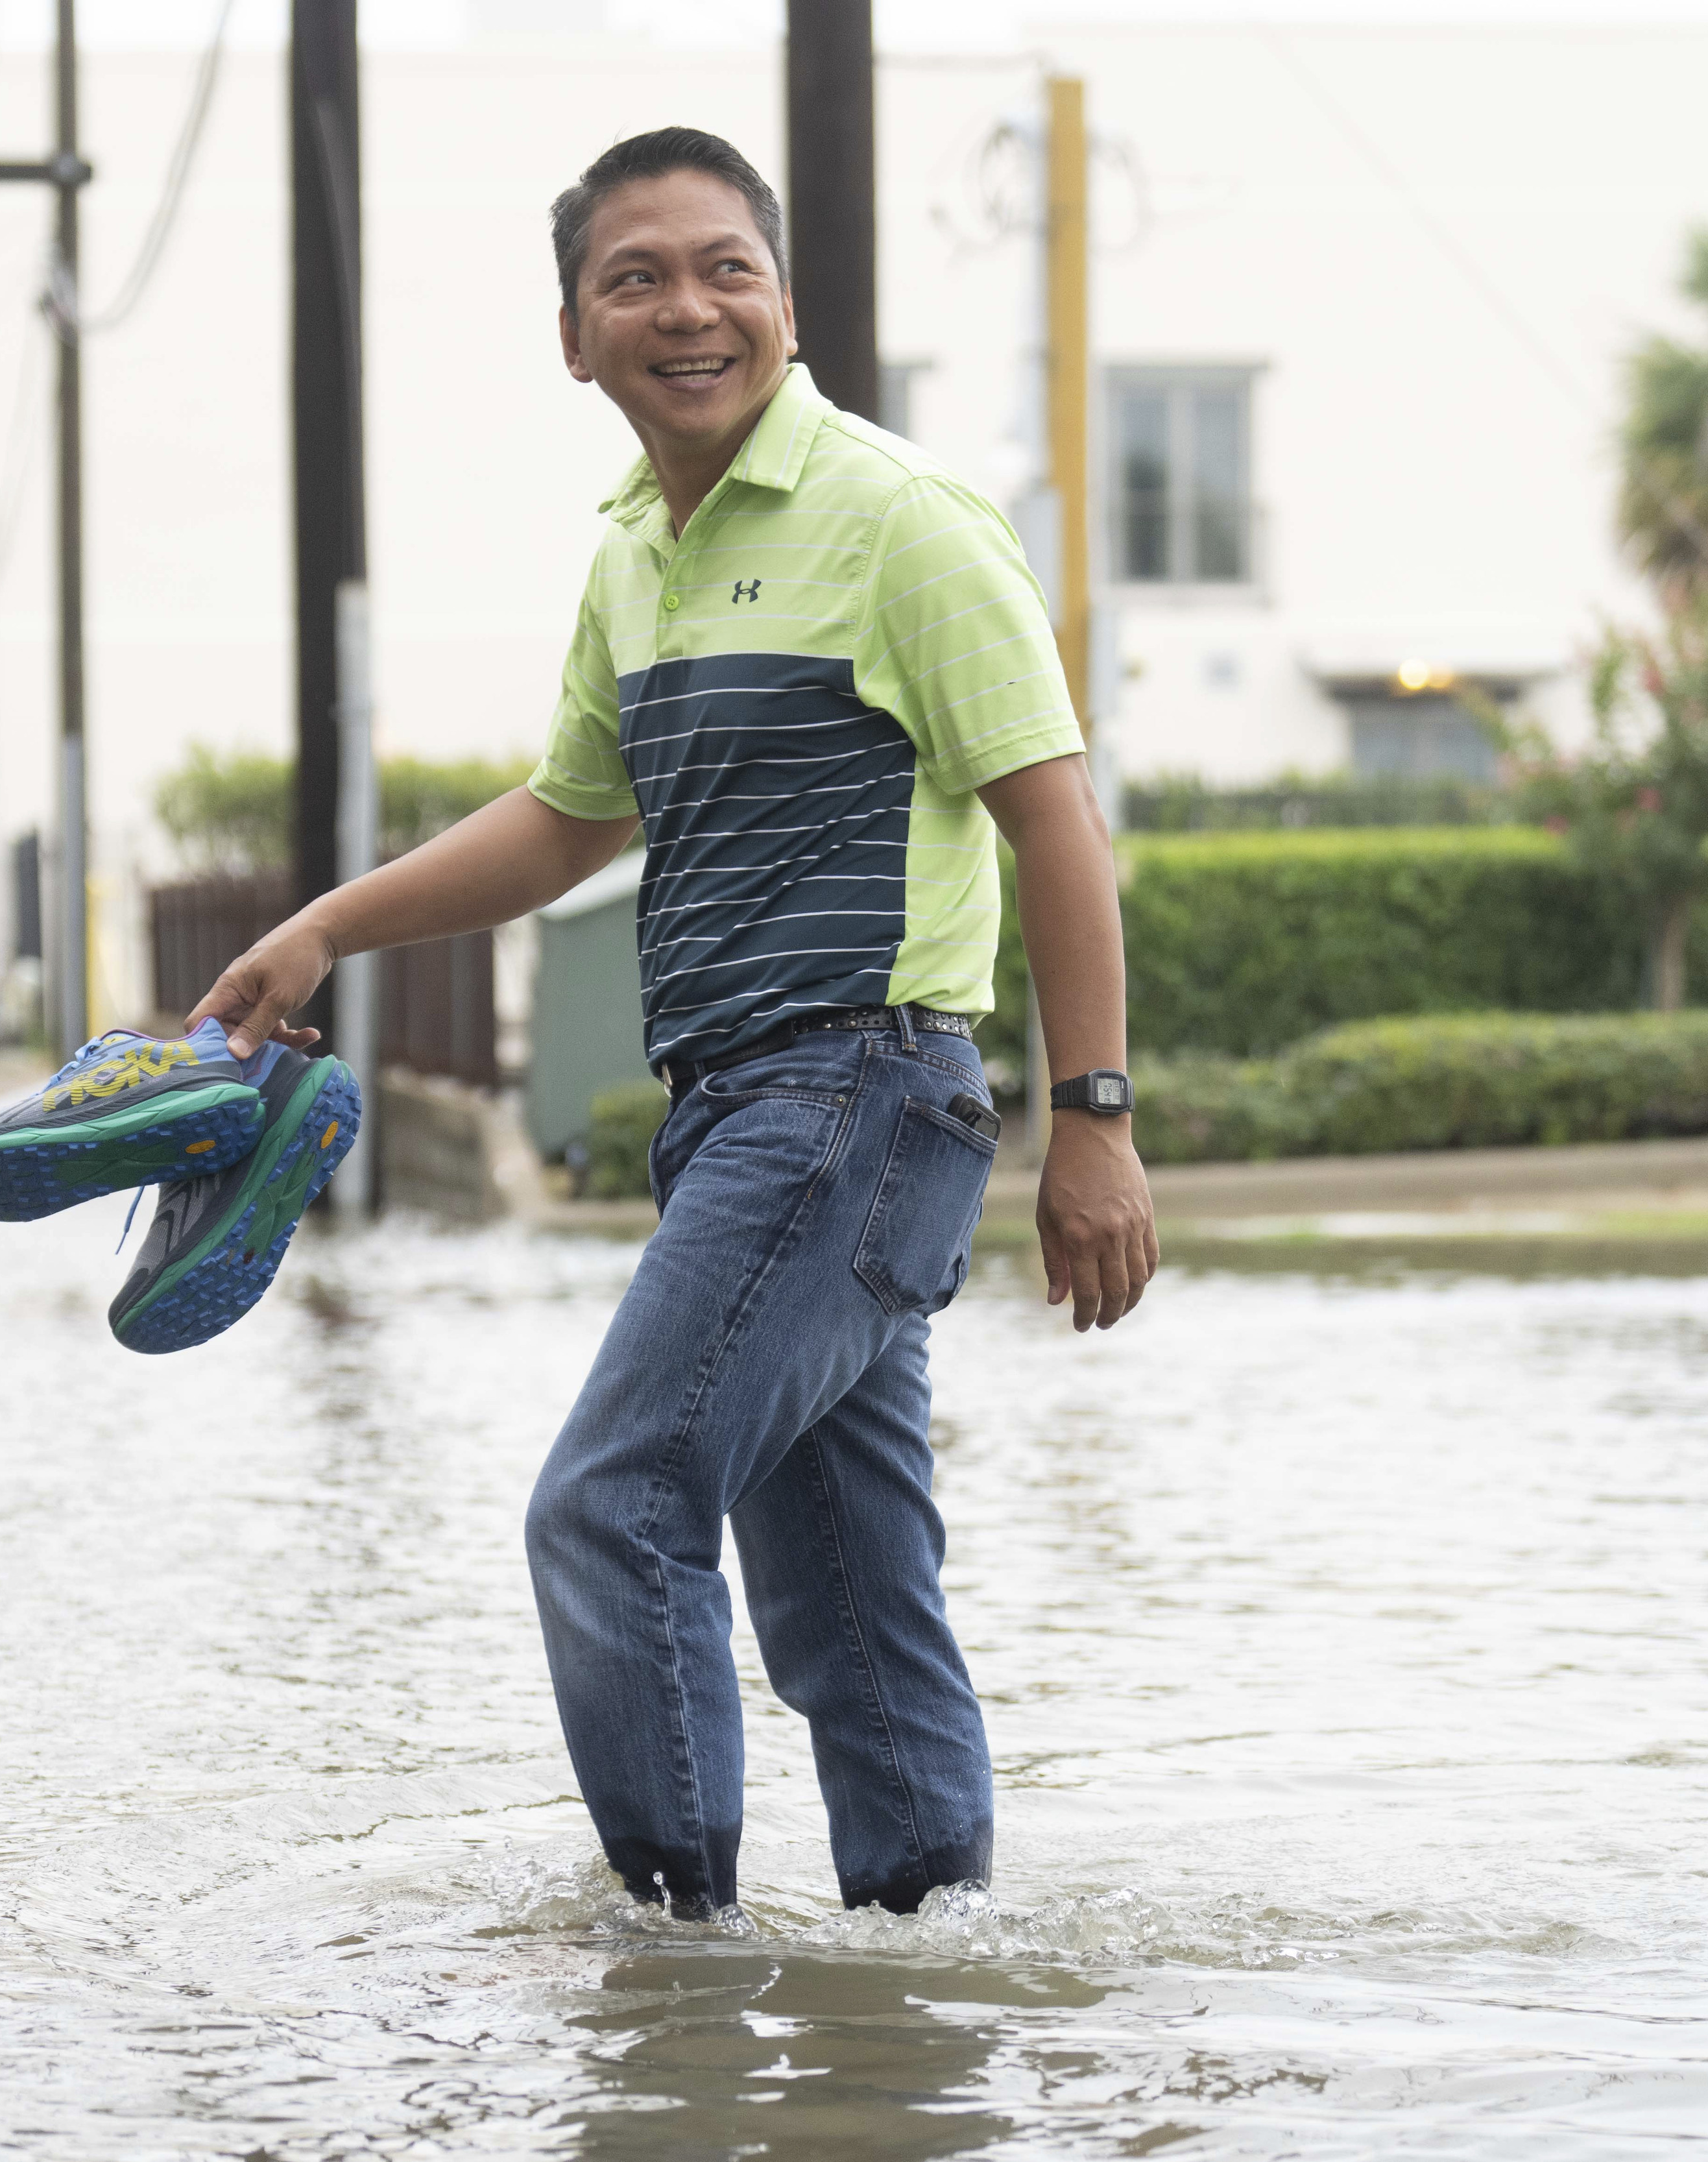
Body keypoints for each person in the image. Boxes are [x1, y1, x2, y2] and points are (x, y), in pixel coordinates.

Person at [187, 126, 1154, 1919]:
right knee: (852, 1602)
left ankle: (671, 1948)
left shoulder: (903, 521)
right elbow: (565, 819)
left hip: (862, 1091)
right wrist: (321, 929)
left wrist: (1089, 1118)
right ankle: (930, 1979)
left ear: (784, 302)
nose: (687, 308)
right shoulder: (636, 552)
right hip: (738, 1114)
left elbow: (1056, 825)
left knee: (609, 1504)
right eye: (635, 278)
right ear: (576, 335)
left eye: (726, 268)